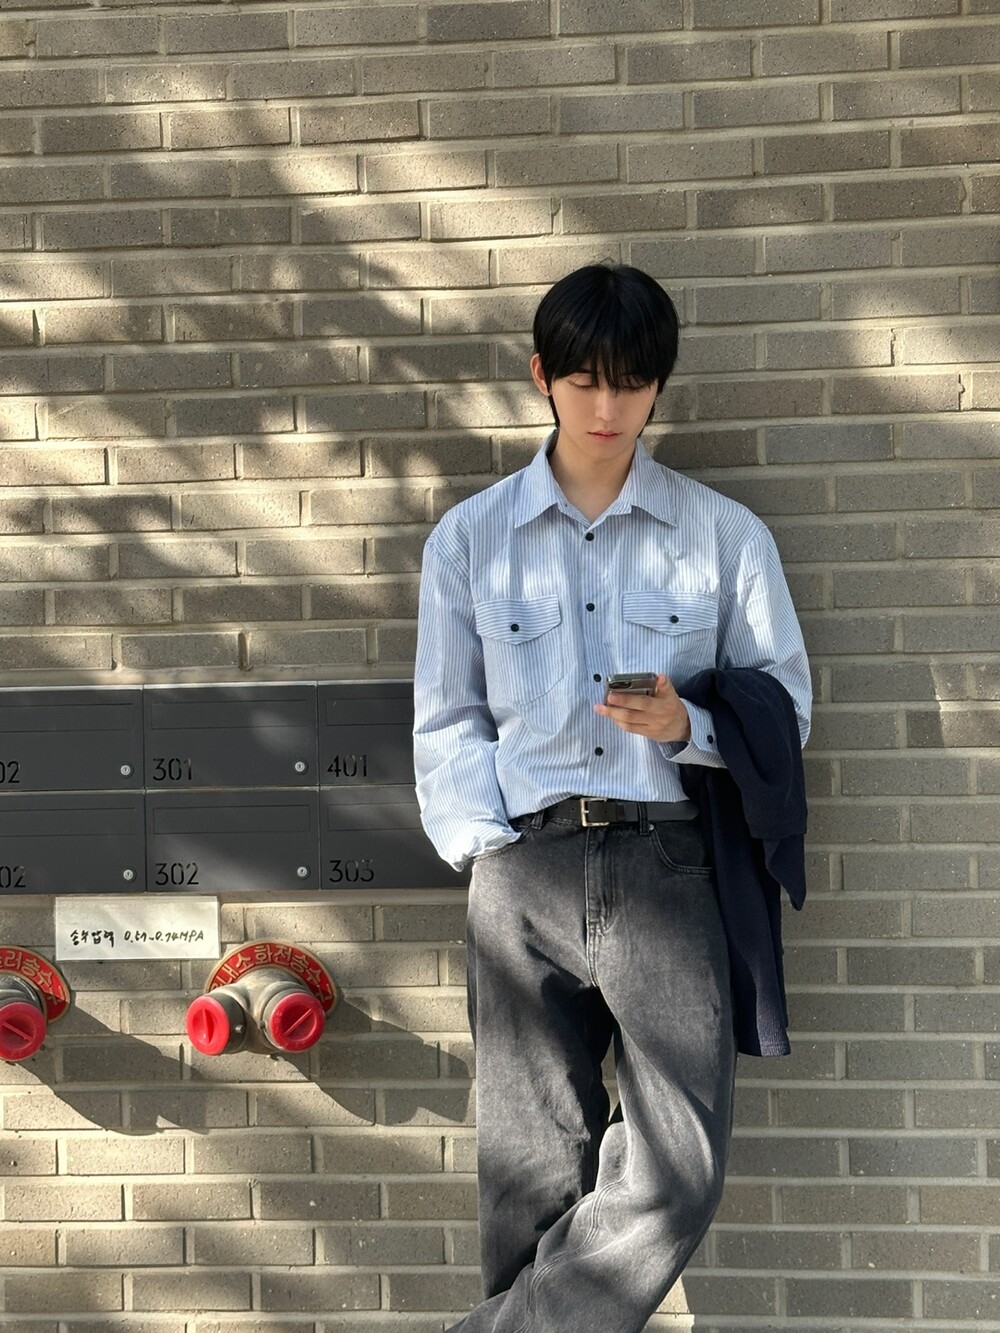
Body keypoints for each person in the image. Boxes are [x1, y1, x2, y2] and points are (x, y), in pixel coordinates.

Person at [413, 263, 811, 1333]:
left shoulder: (723, 536)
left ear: (657, 387)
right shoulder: (470, 539)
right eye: (584, 380)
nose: (606, 407)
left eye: (630, 383)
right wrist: (487, 851)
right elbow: (446, 720)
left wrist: (689, 726)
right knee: (530, 1173)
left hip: (666, 863)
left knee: (677, 1168)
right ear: (540, 376)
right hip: (525, 866)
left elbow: (788, 706)